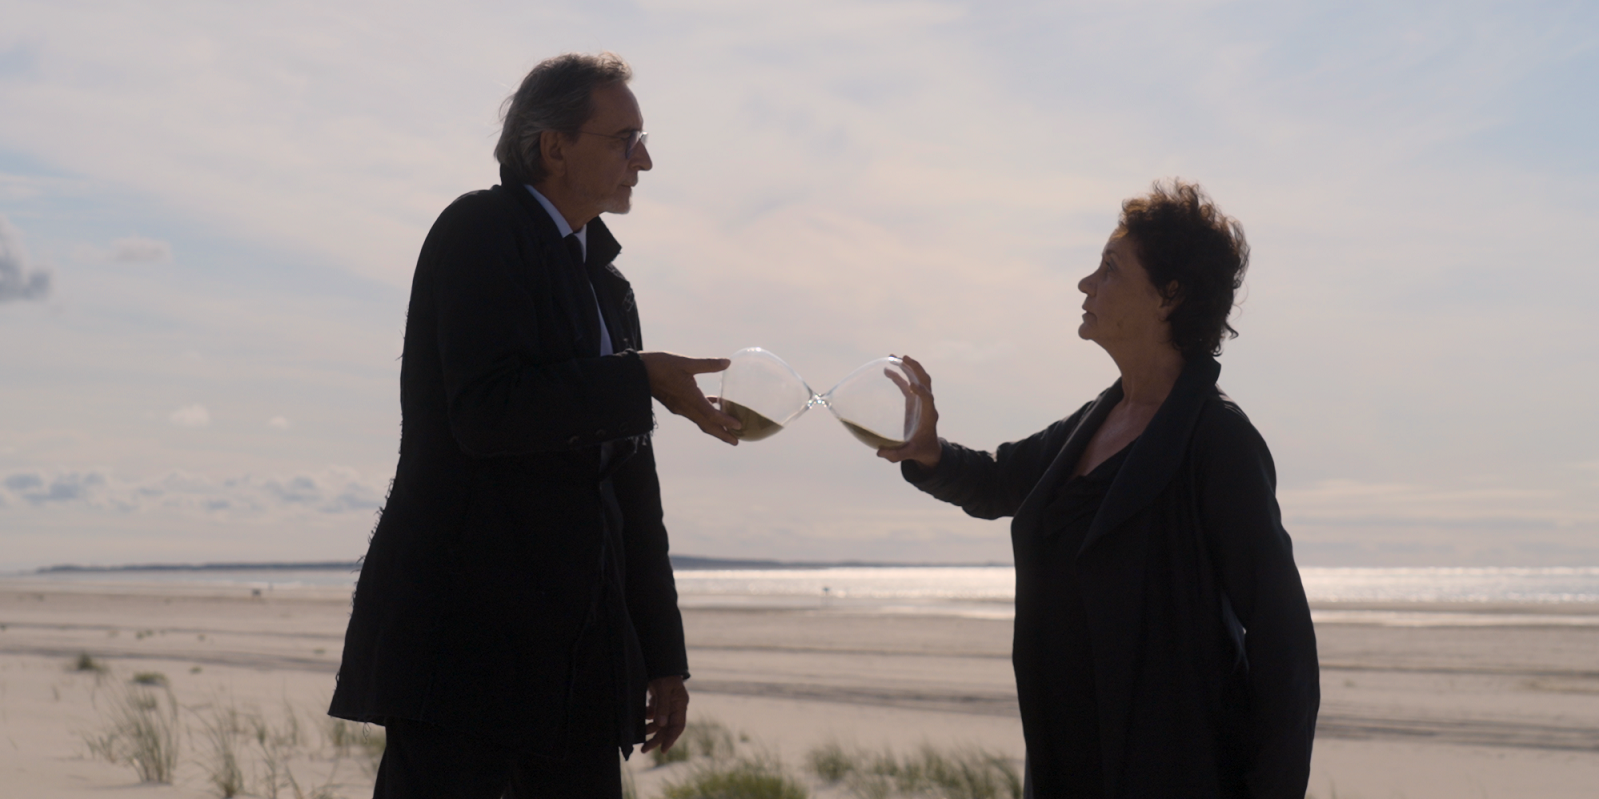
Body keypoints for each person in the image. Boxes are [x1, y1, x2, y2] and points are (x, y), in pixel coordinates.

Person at [328, 52, 742, 799]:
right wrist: (637, 378)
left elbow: (631, 487)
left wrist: (662, 656)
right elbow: (486, 413)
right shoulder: (477, 230)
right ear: (554, 147)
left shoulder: (607, 284)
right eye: (624, 140)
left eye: (642, 141)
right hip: (464, 650)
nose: (643, 161)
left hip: (580, 660)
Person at [879, 181, 1319, 798]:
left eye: (1110, 268)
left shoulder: (1217, 441)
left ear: (1169, 295)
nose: (1086, 283)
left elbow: (1284, 645)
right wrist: (928, 451)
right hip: (1066, 769)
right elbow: (999, 480)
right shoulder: (1095, 422)